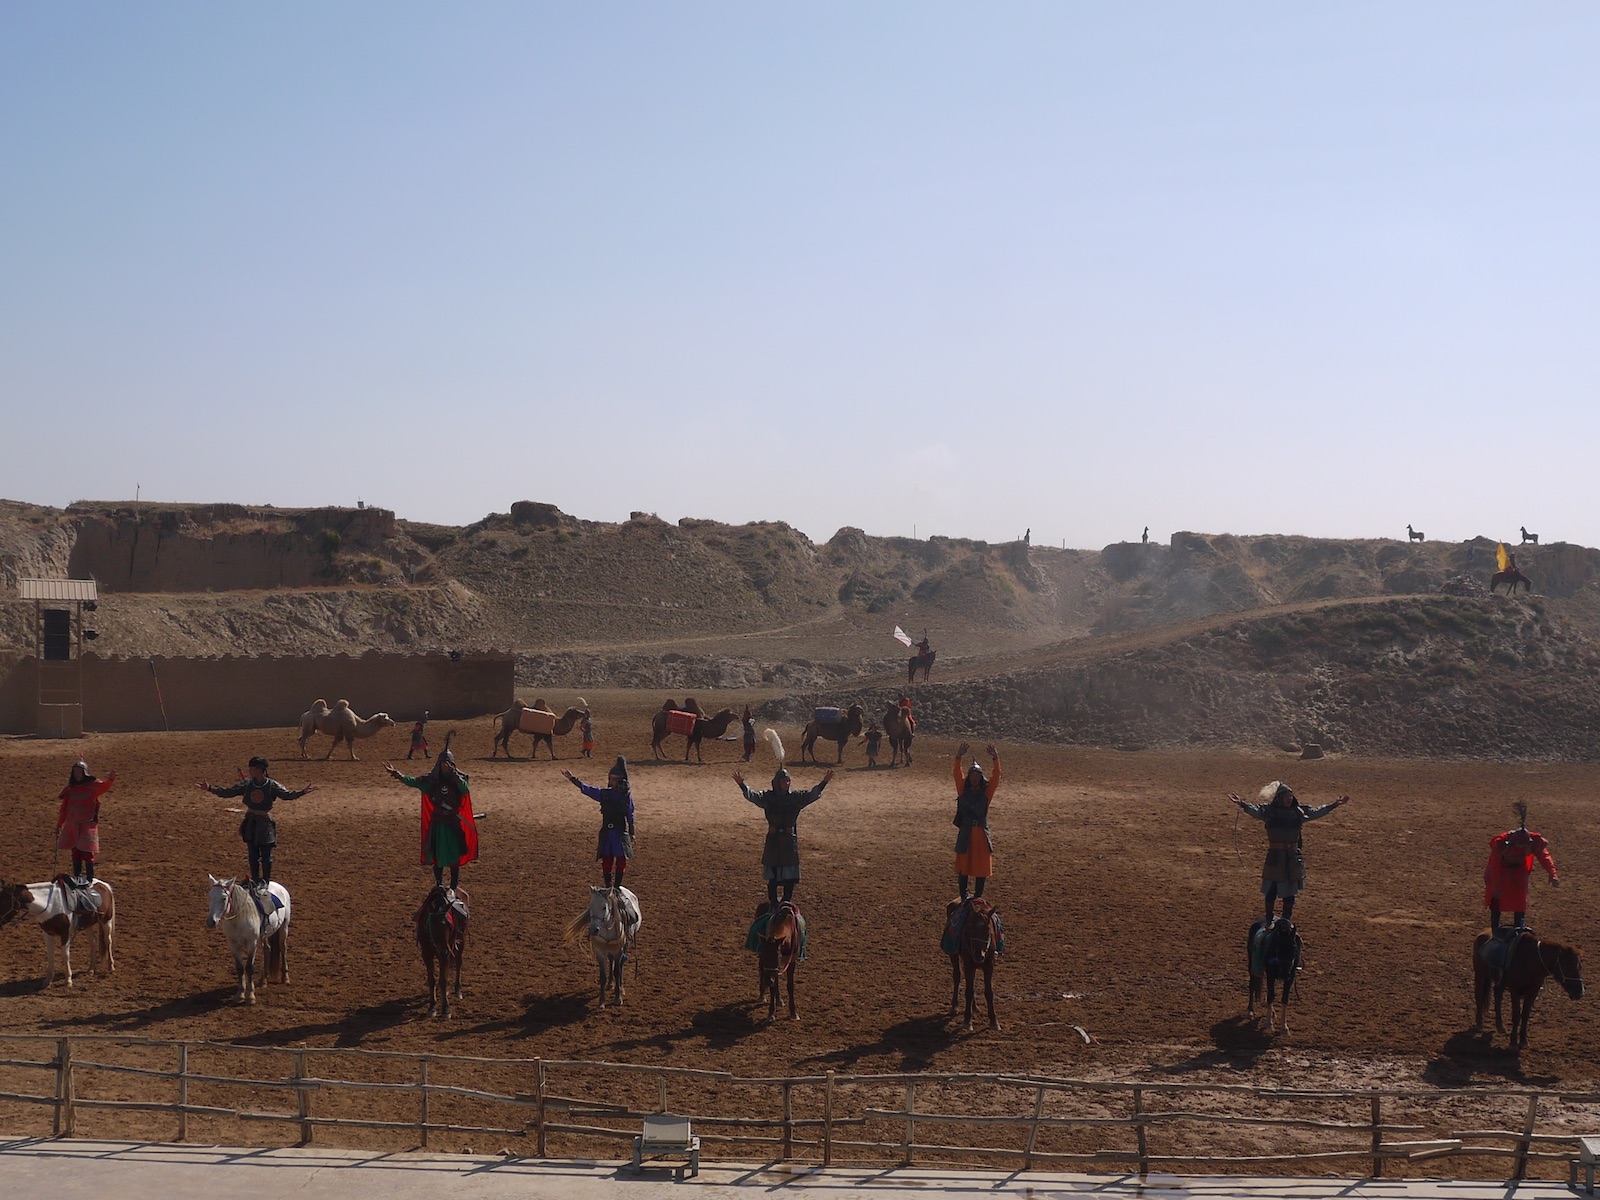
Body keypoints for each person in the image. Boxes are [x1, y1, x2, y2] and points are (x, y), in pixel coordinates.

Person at [1230, 782, 1350, 925]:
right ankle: (1269, 918)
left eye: (1291, 796)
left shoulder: (1298, 813)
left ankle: (1286, 920)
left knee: (1290, 893)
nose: (1290, 799)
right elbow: (1255, 811)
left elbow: (1317, 812)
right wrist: (1242, 803)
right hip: (1275, 858)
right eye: (1287, 796)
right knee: (1271, 890)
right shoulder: (1270, 812)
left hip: (1292, 858)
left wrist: (1334, 805)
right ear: (1280, 798)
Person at [198, 757, 317, 892]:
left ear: (260, 770)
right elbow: (228, 792)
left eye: (252, 768)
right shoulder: (247, 784)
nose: (250, 771)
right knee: (253, 854)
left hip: (264, 822)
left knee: (266, 854)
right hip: (251, 821)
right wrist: (210, 789)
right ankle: (255, 879)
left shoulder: (272, 785)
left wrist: (301, 792)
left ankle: (266, 880)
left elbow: (286, 795)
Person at [733, 765, 834, 908]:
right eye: (784, 781)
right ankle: (773, 902)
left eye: (788, 781)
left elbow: (812, 795)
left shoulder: (795, 798)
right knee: (773, 874)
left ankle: (786, 901)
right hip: (773, 839)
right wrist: (742, 785)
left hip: (788, 840)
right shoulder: (768, 797)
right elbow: (753, 796)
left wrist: (824, 782)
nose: (787, 784)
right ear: (777, 782)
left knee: (790, 875)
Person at [385, 739, 478, 893]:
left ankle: (454, 885)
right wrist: (397, 774)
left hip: (453, 824)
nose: (445, 766)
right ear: (439, 764)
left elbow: (465, 789)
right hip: (439, 824)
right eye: (443, 763)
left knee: (454, 854)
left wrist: (454, 775)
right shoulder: (431, 781)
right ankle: (439, 883)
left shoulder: (458, 780)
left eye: (448, 763)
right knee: (438, 854)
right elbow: (414, 782)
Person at [1484, 804, 1559, 935]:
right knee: (1496, 899)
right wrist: (1495, 886)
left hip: (1519, 872)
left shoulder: (1533, 843)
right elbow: (1494, 867)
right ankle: (1495, 928)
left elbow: (1544, 856)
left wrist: (1552, 874)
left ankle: (1519, 927)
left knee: (1520, 899)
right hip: (1501, 871)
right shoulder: (1501, 846)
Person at [562, 757, 635, 889]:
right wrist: (573, 779)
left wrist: (632, 832)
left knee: (621, 860)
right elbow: (588, 789)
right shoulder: (604, 794)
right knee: (607, 860)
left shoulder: (626, 796)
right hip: (607, 832)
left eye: (613, 779)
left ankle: (617, 887)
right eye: (610, 778)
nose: (610, 781)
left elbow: (630, 814)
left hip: (620, 832)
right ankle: (608, 886)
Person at [952, 742, 1001, 900]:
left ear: (981, 777)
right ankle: (964, 895)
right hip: (966, 832)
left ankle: (978, 896)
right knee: (963, 867)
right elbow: (956, 773)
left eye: (977, 776)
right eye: (972, 775)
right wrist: (958, 757)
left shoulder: (986, 793)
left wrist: (995, 758)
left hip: (980, 834)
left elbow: (996, 777)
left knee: (981, 867)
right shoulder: (962, 790)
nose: (974, 778)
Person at [57, 760, 115, 882]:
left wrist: (110, 780)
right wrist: (59, 824)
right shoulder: (70, 790)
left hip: (87, 824)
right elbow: (64, 809)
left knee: (87, 851)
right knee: (75, 851)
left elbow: (104, 786)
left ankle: (89, 879)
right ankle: (77, 878)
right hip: (73, 823)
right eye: (75, 772)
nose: (77, 774)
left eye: (79, 772)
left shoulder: (92, 786)